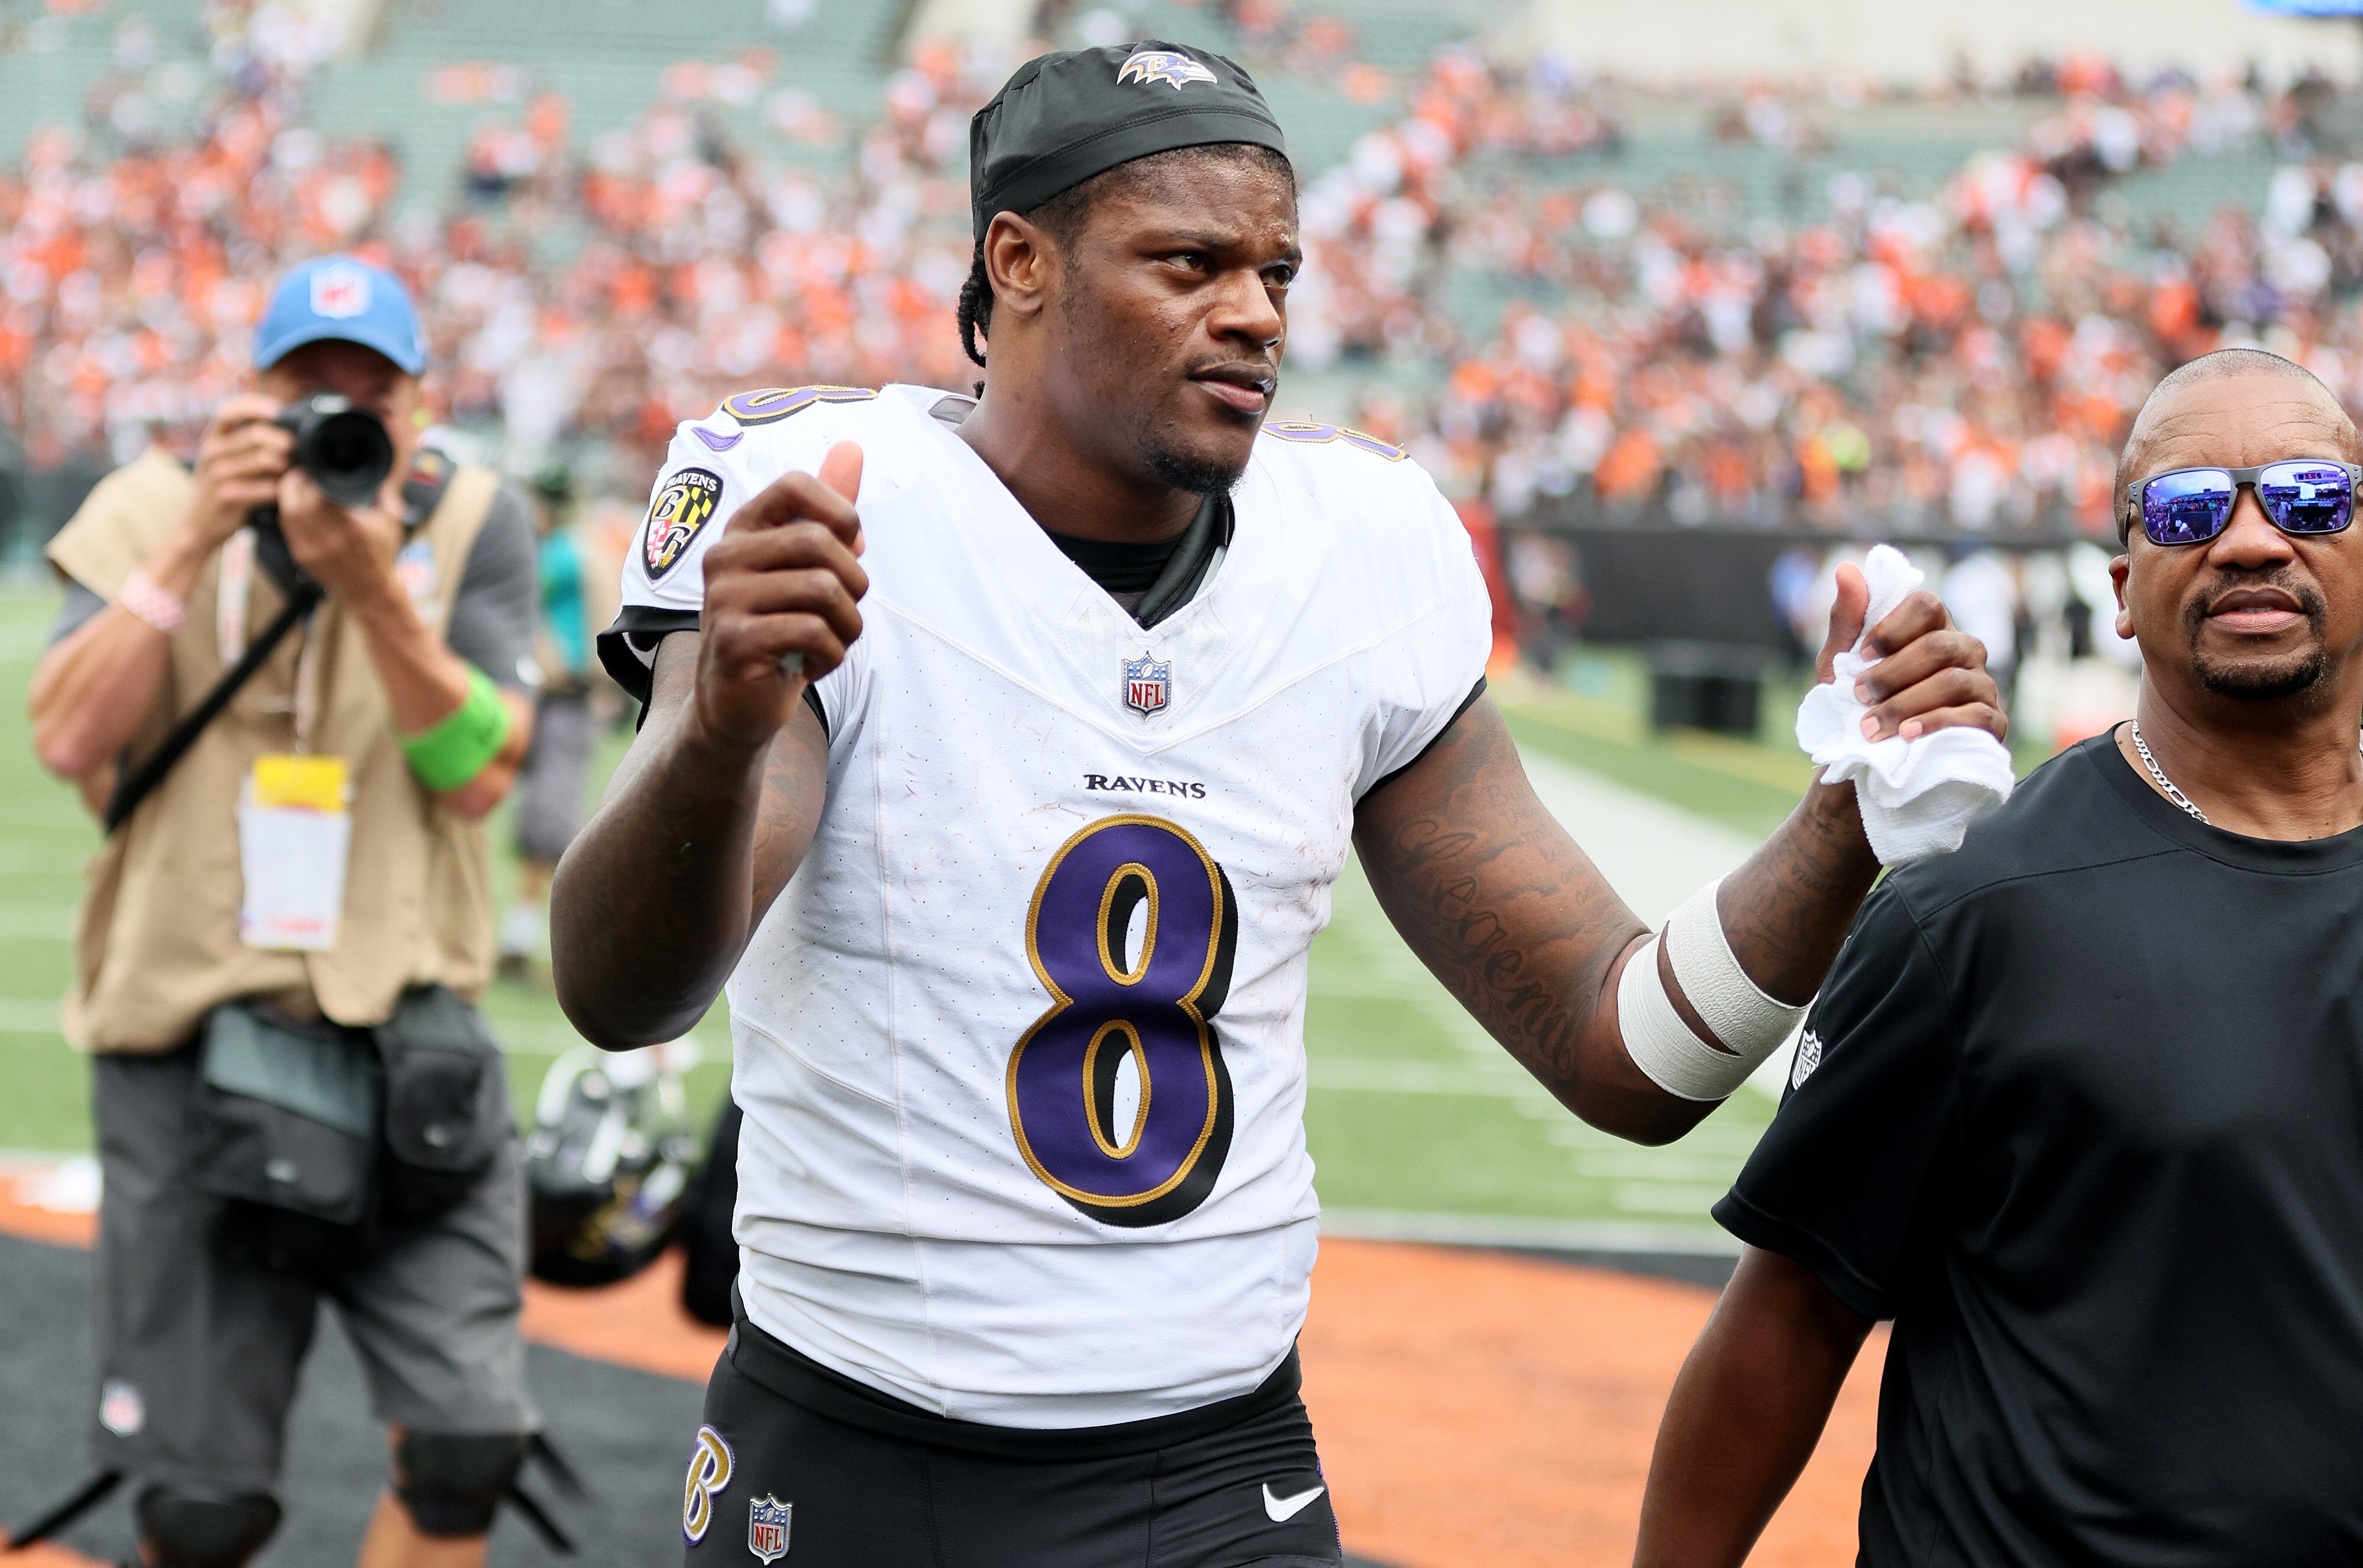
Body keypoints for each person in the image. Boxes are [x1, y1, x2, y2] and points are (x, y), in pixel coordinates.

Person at [552, 41, 2003, 1568]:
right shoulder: (834, 501)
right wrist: (718, 732)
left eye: (1276, 272)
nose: (1253, 311)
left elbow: (1620, 1046)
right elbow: (621, 987)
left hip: (1218, 1467)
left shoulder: (1359, 542)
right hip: (860, 1451)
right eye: (1189, 262)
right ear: (1018, 261)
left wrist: (1842, 813)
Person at [1634, 347, 2363, 1566]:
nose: (2249, 540)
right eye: (2189, 508)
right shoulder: (1976, 909)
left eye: (2305, 497)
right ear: (2122, 589)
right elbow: (1789, 1322)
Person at [25, 255, 547, 1568]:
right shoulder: (148, 503)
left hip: (404, 1031)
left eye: (367, 393)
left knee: (466, 1441)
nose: (337, 419)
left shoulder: (470, 518)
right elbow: (67, 734)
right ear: (249, 395)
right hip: (186, 1029)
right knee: (199, 1508)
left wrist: (375, 589)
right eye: (306, 392)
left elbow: (484, 774)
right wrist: (197, 535)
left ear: (418, 403)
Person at [499, 461, 602, 981]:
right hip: (557, 694)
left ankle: (522, 937)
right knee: (549, 820)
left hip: (565, 695)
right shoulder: (560, 551)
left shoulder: (561, 550)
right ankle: (526, 938)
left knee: (550, 820)